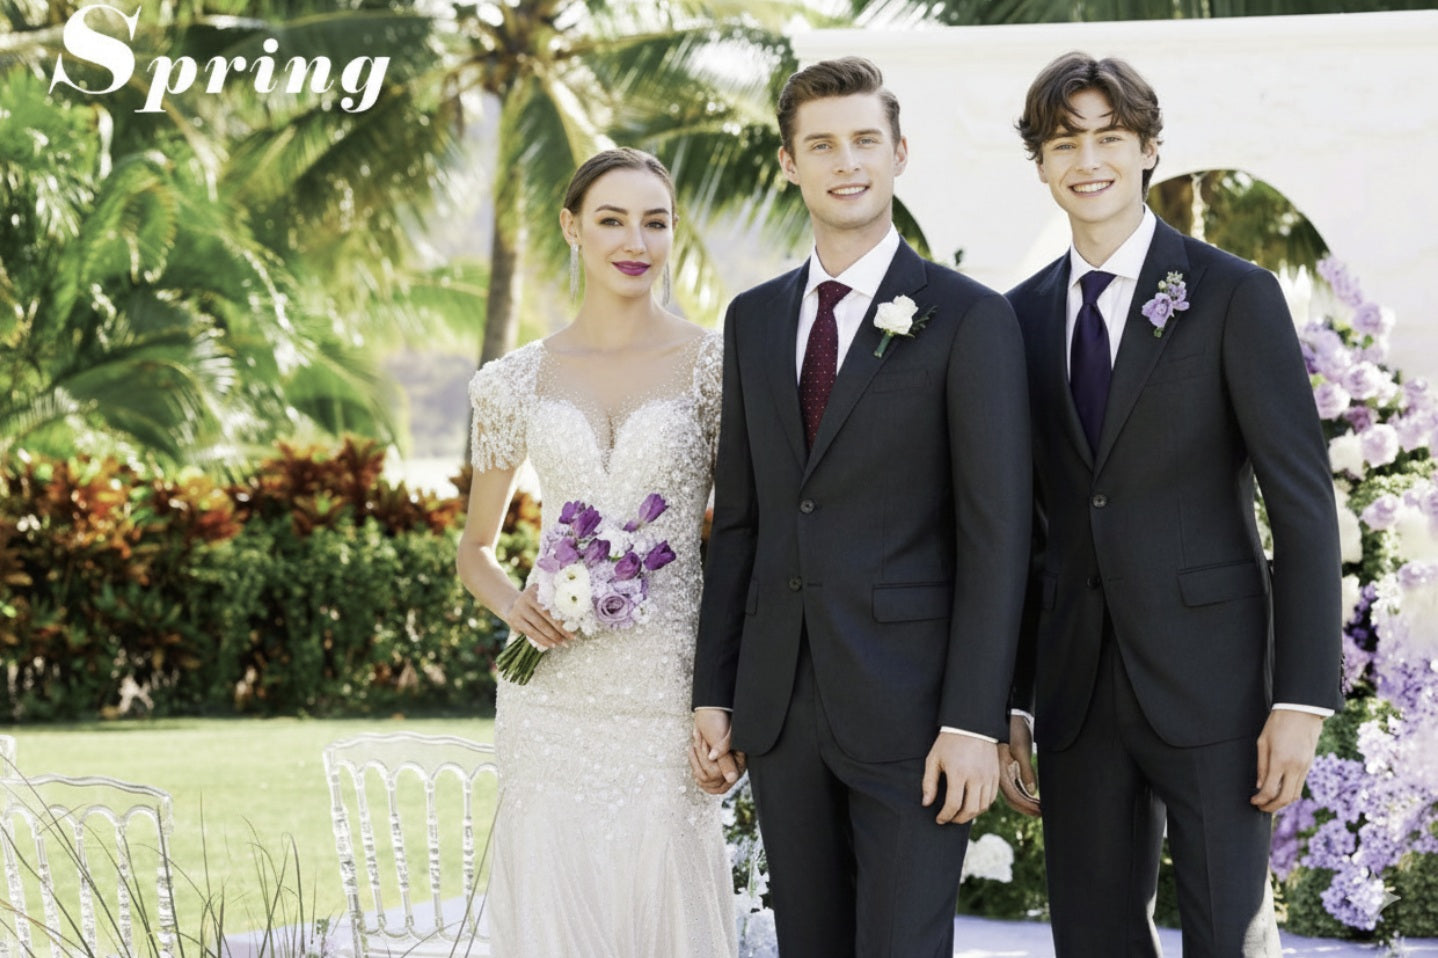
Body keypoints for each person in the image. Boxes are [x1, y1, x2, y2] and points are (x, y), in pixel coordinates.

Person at [1000, 52, 1343, 957]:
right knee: (1093, 940)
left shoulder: (1234, 294)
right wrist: (1017, 700)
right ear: (1040, 163)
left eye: (1110, 137)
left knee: (1227, 935)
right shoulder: (1017, 318)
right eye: (1065, 141)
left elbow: (1303, 506)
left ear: (1150, 149)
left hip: (1218, 685)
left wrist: (1301, 699)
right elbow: (1023, 528)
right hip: (1076, 692)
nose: (1089, 160)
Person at [690, 57, 1032, 958]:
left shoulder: (968, 317)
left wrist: (974, 721)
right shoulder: (754, 320)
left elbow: (997, 537)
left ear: (898, 154)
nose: (847, 162)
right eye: (823, 145)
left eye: (864, 142)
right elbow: (743, 521)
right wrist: (715, 690)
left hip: (916, 711)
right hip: (783, 705)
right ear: (788, 163)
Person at [456, 147, 736, 957]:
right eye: (611, 219)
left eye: (655, 221)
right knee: (552, 898)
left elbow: (749, 539)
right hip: (550, 698)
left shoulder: (716, 368)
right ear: (572, 228)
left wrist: (731, 695)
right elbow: (475, 548)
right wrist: (517, 602)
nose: (634, 240)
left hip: (669, 690)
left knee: (666, 897)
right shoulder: (514, 382)